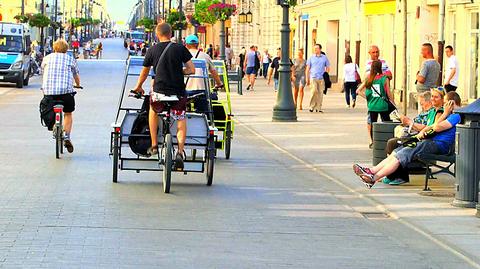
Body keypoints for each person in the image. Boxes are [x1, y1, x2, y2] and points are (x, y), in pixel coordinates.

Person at [353, 91, 462, 189]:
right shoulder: (449, 115)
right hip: (431, 142)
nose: (444, 105)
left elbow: (436, 127)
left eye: (446, 102)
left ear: (451, 103)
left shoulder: (455, 116)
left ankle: (373, 178)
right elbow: (432, 127)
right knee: (397, 151)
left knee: (402, 154)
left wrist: (445, 114)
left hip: (438, 145)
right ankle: (372, 171)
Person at [132, 23, 195, 170]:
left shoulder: (152, 50)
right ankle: (180, 151)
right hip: (178, 93)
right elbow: (191, 69)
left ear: (157, 34)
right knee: (180, 118)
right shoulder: (180, 48)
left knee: (153, 110)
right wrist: (181, 72)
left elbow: (145, 72)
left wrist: (138, 86)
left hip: (159, 92)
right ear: (171, 33)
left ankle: (154, 145)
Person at [41, 39, 81, 153]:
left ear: (54, 48)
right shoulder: (70, 59)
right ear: (66, 49)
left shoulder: (47, 58)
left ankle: (54, 126)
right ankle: (67, 136)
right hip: (66, 94)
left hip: (49, 93)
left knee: (48, 107)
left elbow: (43, 72)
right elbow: (76, 75)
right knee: (68, 113)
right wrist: (78, 84)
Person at [357, 60, 395, 149]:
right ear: (380, 67)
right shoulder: (384, 78)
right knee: (386, 123)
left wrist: (368, 98)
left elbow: (358, 91)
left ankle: (374, 142)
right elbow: (388, 93)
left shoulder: (368, 78)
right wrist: (393, 103)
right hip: (383, 105)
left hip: (372, 105)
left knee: (373, 124)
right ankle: (386, 140)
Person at [184, 34, 223, 112]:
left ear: (186, 45)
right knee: (203, 111)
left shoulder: (181, 55)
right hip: (201, 89)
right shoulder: (205, 56)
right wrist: (219, 83)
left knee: (183, 109)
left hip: (185, 89)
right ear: (198, 44)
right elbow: (213, 72)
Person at [306, 44, 330, 113]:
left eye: (316, 48)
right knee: (314, 91)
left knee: (320, 93)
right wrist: (307, 78)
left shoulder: (324, 58)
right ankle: (311, 106)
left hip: (321, 78)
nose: (315, 50)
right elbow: (307, 68)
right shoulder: (311, 58)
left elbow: (328, 67)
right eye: (314, 49)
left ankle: (318, 107)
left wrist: (326, 74)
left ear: (320, 49)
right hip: (313, 77)